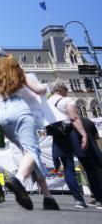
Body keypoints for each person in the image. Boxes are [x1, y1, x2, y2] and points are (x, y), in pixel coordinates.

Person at [0, 56, 59, 211]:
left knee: (29, 155)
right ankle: (19, 180)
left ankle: (48, 197)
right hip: (20, 111)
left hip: (3, 115)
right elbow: (39, 90)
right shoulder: (20, 75)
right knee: (33, 150)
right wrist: (46, 86)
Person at [47, 81, 102, 209]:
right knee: (89, 166)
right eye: (66, 88)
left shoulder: (48, 104)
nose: (67, 90)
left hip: (59, 137)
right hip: (72, 135)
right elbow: (74, 118)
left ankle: (78, 200)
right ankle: (99, 199)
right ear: (60, 89)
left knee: (68, 168)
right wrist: (83, 134)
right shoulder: (67, 100)